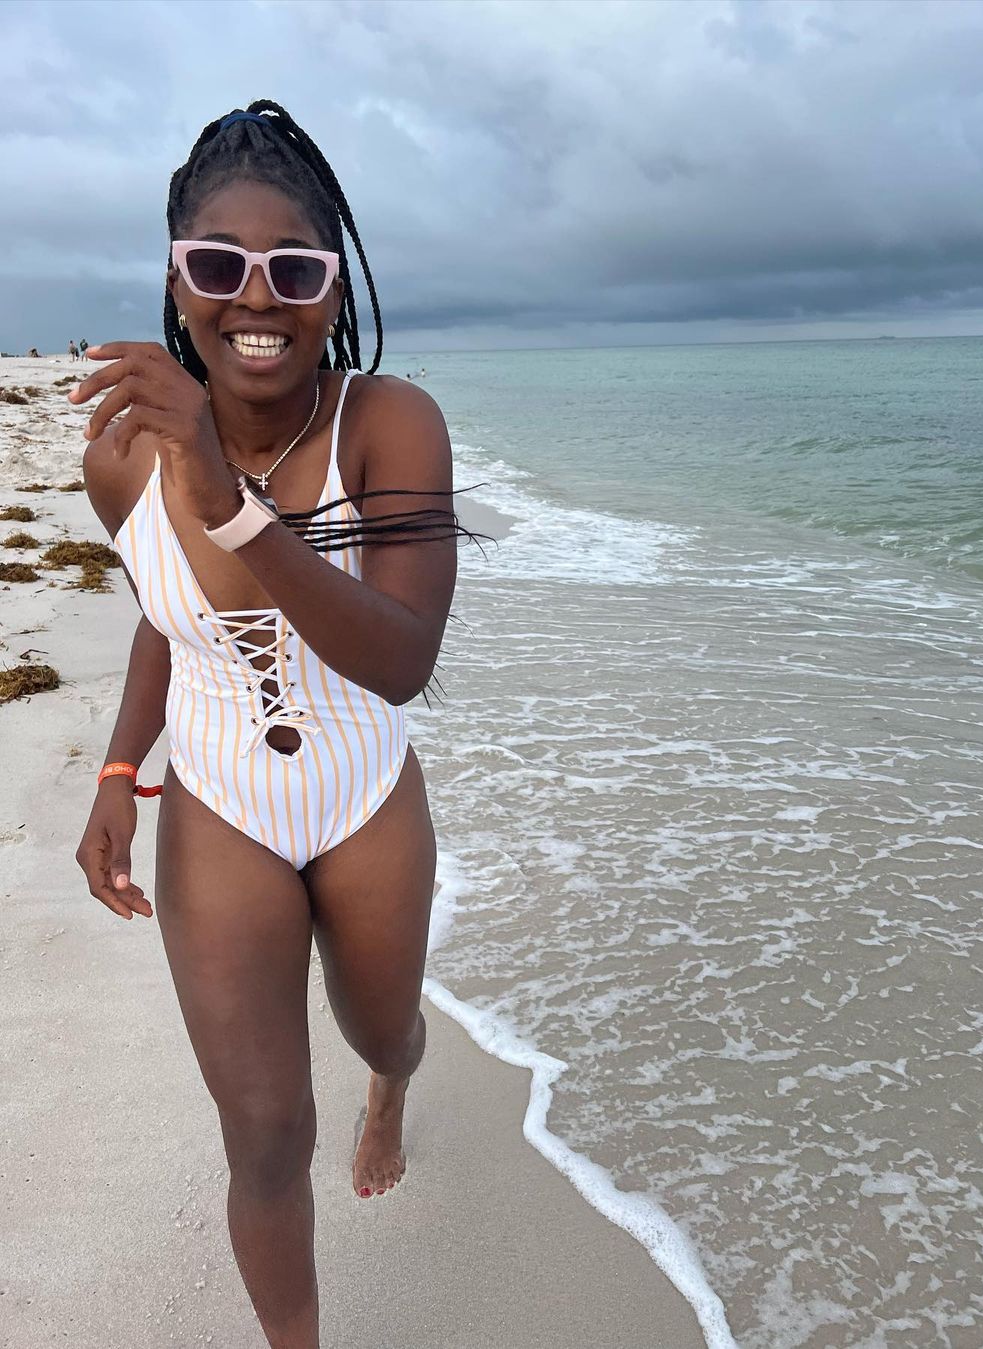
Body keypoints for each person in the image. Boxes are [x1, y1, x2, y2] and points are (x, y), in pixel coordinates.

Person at [69, 102, 490, 1348]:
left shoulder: (389, 423)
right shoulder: (119, 458)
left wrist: (230, 499)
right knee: (264, 1132)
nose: (257, 296)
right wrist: (119, 765)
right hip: (220, 801)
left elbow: (401, 660)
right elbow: (169, 613)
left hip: (362, 791)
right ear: (176, 281)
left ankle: (391, 1088)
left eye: (295, 269)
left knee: (384, 1026)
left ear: (332, 286)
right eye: (218, 264)